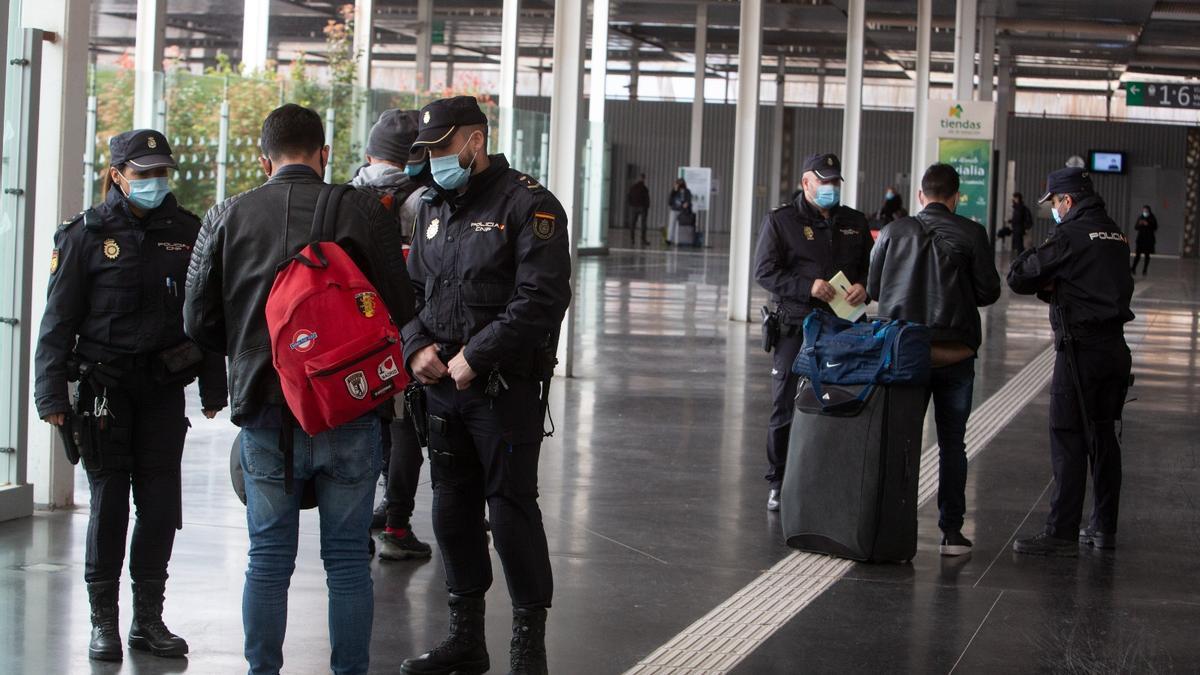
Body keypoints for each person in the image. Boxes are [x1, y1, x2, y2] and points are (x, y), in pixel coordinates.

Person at [184, 103, 415, 674]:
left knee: (267, 559)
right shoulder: (361, 209)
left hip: (265, 412)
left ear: (264, 159)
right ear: (325, 153)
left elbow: (195, 319)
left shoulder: (227, 215)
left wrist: (251, 343)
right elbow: (402, 306)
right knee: (344, 562)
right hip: (349, 408)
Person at [33, 129, 227, 662]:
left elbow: (205, 315)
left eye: (161, 172)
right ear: (117, 175)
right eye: (143, 173)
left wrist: (215, 386)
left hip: (163, 390)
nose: (154, 182)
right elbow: (57, 322)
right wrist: (51, 393)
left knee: (160, 507)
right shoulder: (85, 235)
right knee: (110, 506)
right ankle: (104, 623)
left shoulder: (187, 232)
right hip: (104, 392)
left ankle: (148, 620)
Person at [399, 95, 571, 675]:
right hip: (441, 388)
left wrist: (478, 353)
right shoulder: (428, 207)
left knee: (512, 511)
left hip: (501, 390)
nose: (434, 158)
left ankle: (529, 651)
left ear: (475, 140)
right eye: (427, 149)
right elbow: (411, 294)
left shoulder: (528, 204)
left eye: (443, 146)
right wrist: (414, 344)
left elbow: (542, 300)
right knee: (451, 510)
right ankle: (466, 638)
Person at [867, 163, 1002, 557]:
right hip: (954, 354)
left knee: (899, 443)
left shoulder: (894, 231)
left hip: (904, 353)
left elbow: (874, 287)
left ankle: (891, 526)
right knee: (952, 445)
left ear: (921, 196)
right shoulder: (972, 233)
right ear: (956, 197)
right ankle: (952, 532)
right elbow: (989, 292)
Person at [1008, 167, 1134, 557]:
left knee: (1067, 436)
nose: (1053, 211)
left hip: (1080, 352)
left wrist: (1053, 281)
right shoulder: (1114, 232)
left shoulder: (1070, 235)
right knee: (1104, 438)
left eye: (1055, 203)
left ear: (1067, 200)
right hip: (1115, 349)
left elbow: (1018, 276)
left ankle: (1061, 531)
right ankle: (1103, 527)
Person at [753, 153, 872, 512]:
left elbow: (873, 268)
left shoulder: (853, 222)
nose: (831, 188)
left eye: (835, 182)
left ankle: (835, 478)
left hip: (844, 326)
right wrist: (808, 286)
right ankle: (779, 480)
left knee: (844, 400)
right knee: (785, 403)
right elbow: (764, 272)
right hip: (796, 325)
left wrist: (865, 287)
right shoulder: (781, 222)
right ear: (807, 183)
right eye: (824, 182)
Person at [349, 108, 433, 561]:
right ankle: (398, 527)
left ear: (368, 153)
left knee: (364, 423)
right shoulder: (425, 202)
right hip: (407, 330)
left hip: (352, 334)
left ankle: (357, 522)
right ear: (418, 156)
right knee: (405, 426)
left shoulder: (343, 196)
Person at [1131, 204, 1157, 276]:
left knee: (1147, 255)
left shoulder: (1152, 218)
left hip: (1148, 240)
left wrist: (1148, 224)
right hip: (1140, 239)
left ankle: (1144, 270)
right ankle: (1133, 268)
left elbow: (1155, 227)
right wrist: (1140, 224)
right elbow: (1136, 227)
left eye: (1146, 210)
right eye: (1144, 210)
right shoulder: (1140, 217)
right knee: (1137, 255)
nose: (1145, 212)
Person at [626, 173, 651, 245]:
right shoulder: (644, 188)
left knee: (633, 223)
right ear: (643, 179)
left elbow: (628, 197)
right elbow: (647, 199)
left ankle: (632, 239)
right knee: (643, 224)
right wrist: (647, 207)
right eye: (643, 178)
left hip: (634, 207)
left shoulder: (633, 187)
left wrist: (631, 205)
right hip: (642, 208)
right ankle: (643, 240)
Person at [667, 178, 692, 245]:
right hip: (674, 210)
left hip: (682, 211)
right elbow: (669, 201)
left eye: (681, 183)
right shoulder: (674, 191)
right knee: (671, 225)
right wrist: (674, 191)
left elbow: (689, 200)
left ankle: (677, 240)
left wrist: (687, 203)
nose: (679, 185)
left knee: (679, 226)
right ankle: (669, 239)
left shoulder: (687, 191)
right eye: (678, 183)